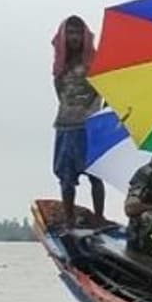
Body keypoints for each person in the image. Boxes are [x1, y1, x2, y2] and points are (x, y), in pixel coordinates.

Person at [51, 15, 105, 225]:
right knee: (65, 178)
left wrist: (97, 115)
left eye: (78, 33)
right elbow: (60, 94)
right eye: (70, 33)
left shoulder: (94, 62)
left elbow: (104, 91)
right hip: (65, 124)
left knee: (96, 173)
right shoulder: (60, 65)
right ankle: (69, 219)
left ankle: (99, 217)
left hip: (90, 125)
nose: (74, 37)